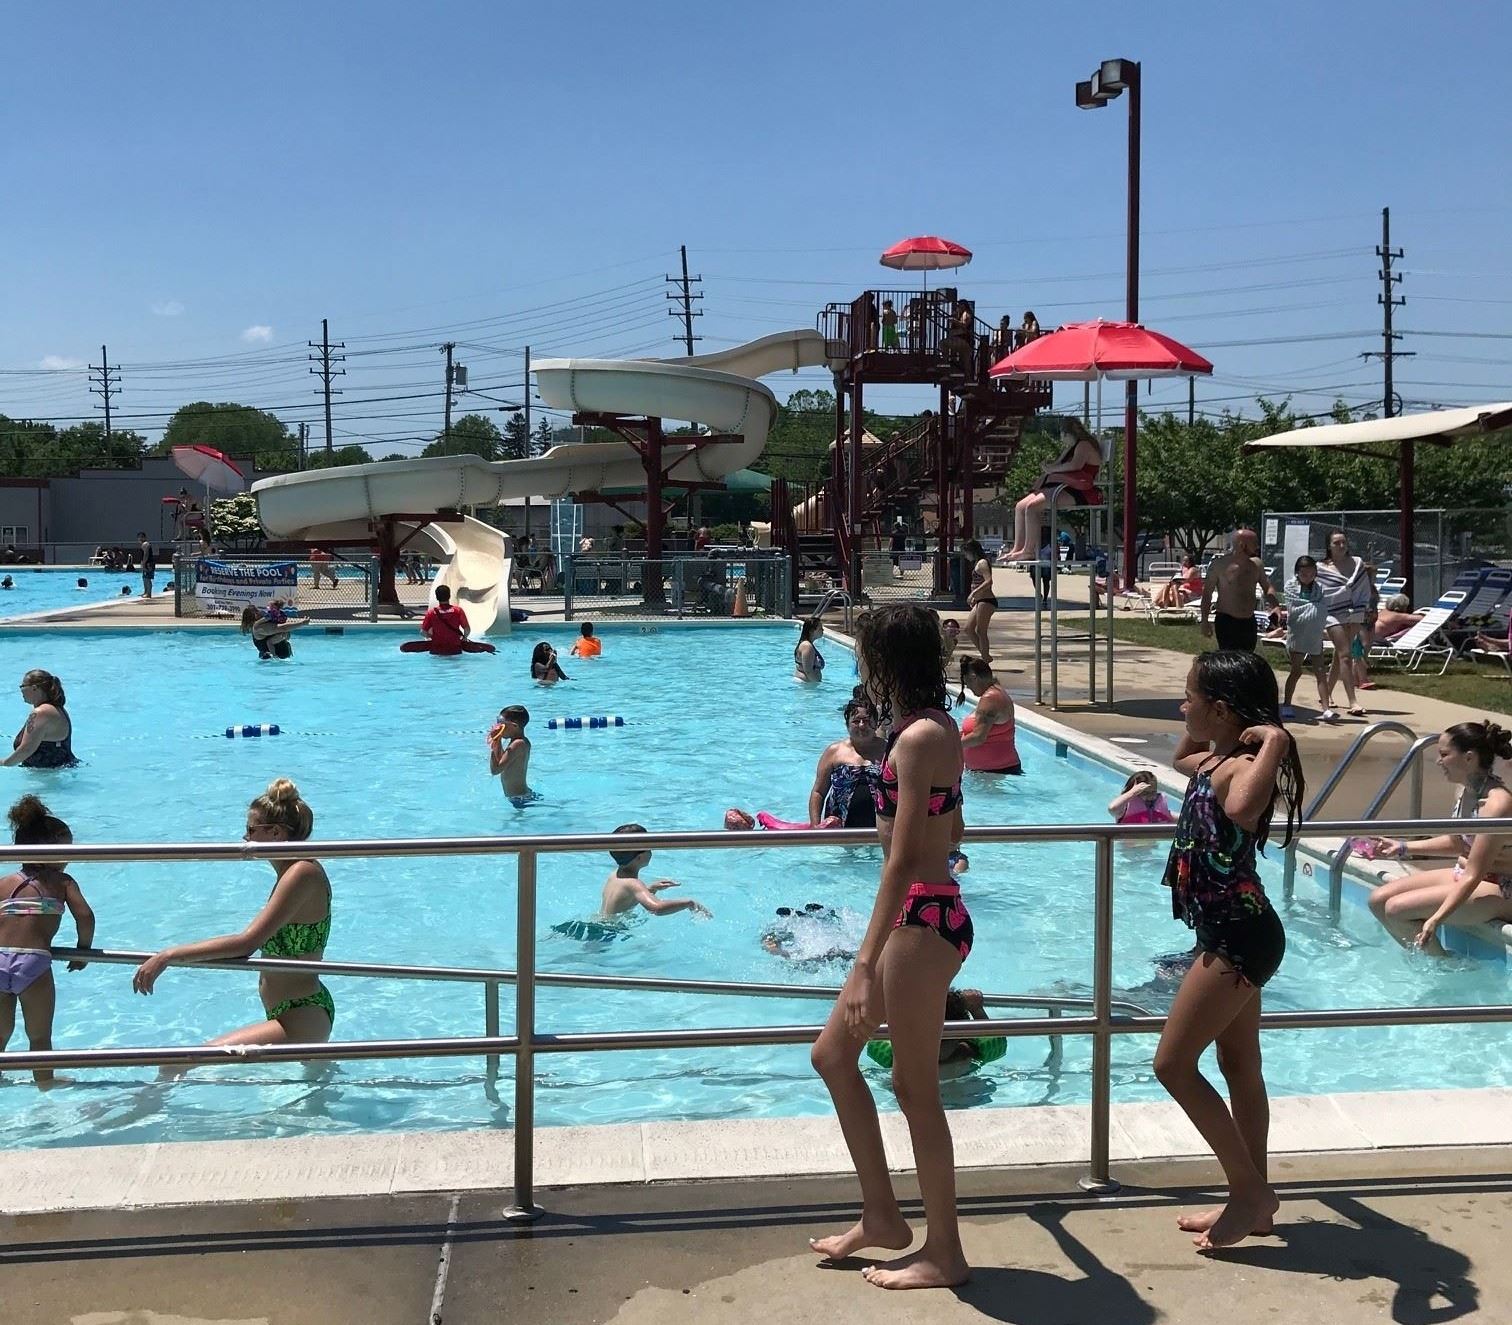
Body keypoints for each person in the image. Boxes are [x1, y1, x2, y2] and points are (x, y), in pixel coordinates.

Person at [808, 604, 971, 1290]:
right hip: (923, 912)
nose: (860, 669)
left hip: (920, 917)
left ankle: (946, 1251)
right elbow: (951, 828)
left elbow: (903, 861)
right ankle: (881, 1214)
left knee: (914, 1087)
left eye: (866, 656)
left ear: (887, 661)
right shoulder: (924, 729)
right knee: (833, 1055)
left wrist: (862, 965)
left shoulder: (917, 739)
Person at [1156, 650, 1303, 1250]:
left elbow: (1242, 808)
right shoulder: (1218, 759)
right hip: (1236, 930)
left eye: (1189, 696)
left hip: (1237, 939)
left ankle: (1250, 1192)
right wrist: (1238, 738)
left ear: (1217, 708)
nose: (1180, 705)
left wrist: (1276, 741)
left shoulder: (1241, 768)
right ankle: (1256, 1202)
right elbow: (1182, 756)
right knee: (1239, 1067)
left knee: (1172, 1065)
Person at [132, 779, 335, 1055]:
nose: (245, 839)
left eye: (250, 830)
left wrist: (168, 956)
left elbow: (246, 943)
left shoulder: (301, 872)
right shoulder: (292, 871)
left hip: (301, 1013)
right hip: (293, 1010)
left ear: (275, 833)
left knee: (181, 1060)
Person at [1366, 721, 1512, 956]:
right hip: (1467, 876)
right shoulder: (1466, 790)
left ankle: (1444, 970)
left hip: (1502, 888)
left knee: (1396, 909)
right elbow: (1458, 842)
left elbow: (1474, 873)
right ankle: (1435, 961)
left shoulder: (1497, 805)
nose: (1438, 761)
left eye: (1444, 754)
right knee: (1378, 900)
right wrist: (1402, 847)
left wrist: (1435, 918)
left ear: (1469, 758)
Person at [0, 795, 94, 1087]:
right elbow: (86, 917)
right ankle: (44, 1081)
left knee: (0, 1034)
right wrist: (83, 951)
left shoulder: (5, 882)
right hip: (34, 961)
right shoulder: (63, 883)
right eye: (66, 851)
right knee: (39, 1035)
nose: (70, 857)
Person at [999, 419, 1103, 561]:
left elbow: (1075, 465)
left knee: (1032, 507)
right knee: (1020, 506)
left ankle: (1028, 550)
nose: (1061, 438)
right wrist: (1048, 468)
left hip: (1080, 491)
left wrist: (1053, 469)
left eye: (1062, 434)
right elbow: (1059, 464)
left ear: (1067, 433)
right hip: (1065, 487)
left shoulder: (1084, 445)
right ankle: (1017, 548)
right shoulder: (1070, 448)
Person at [864, 988, 1005, 1083]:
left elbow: (993, 1041)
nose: (933, 1045)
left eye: (941, 1040)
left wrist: (977, 1010)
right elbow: (993, 1041)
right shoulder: (969, 1052)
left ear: (960, 1035)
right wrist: (976, 1010)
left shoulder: (967, 1051)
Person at [1314, 530, 1376, 718]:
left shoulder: (1357, 564)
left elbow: (1364, 589)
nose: (1341, 546)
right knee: (1346, 655)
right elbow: (1320, 593)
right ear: (1329, 546)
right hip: (1332, 614)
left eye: (1344, 542)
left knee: (1340, 656)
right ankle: (1353, 701)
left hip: (1355, 612)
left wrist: (1362, 608)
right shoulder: (1321, 568)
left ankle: (1327, 692)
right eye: (1337, 543)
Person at [598, 824, 711, 920]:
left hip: (598, 924)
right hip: (610, 933)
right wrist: (688, 903)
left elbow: (624, 900)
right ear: (640, 857)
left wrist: (651, 889)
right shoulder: (634, 884)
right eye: (650, 848)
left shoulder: (615, 875)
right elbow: (657, 908)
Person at [809, 697, 886, 828]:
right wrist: (814, 827)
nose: (862, 725)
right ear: (847, 724)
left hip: (882, 827)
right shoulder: (834, 752)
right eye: (856, 721)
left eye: (867, 721)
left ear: (876, 723)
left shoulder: (889, 751)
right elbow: (818, 792)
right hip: (839, 828)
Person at [1199, 529, 1277, 653]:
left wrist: (1275, 605)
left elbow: (1267, 587)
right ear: (1242, 545)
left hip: (1248, 621)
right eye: (1254, 543)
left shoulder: (1257, 564)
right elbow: (1207, 594)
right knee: (1229, 661)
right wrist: (1204, 620)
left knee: (1248, 659)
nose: (1257, 546)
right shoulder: (1219, 565)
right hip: (1227, 621)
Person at [1281, 555, 1330, 721]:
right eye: (1304, 575)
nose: (1308, 578)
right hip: (1298, 633)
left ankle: (1326, 708)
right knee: (1296, 670)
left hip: (1315, 633)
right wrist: (1313, 608)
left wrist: (1313, 609)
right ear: (1297, 573)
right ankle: (1287, 704)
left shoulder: (1320, 588)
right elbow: (1295, 608)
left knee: (1320, 671)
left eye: (1311, 574)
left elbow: (1323, 608)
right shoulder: (1290, 586)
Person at [957, 657, 1021, 775]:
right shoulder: (996, 690)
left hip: (995, 772)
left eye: (967, 682)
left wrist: (949, 745)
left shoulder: (990, 699)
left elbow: (978, 737)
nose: (968, 687)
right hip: (993, 772)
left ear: (974, 677)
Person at [4, 670, 78, 769]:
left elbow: (26, 750)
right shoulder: (57, 709)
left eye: (22, 686)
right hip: (58, 772)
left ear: (34, 688)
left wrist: (4, 763)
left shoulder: (41, 712)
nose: (21, 690)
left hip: (50, 777)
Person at [402, 585, 497, 655]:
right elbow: (467, 629)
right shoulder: (457, 611)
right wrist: (464, 637)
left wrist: (432, 636)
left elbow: (423, 632)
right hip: (455, 649)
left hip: (437, 649)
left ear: (437, 597)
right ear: (449, 596)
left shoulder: (431, 613)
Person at [488, 705, 537, 807]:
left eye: (501, 724)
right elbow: (500, 760)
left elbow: (495, 770)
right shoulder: (519, 742)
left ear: (514, 726)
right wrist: (498, 740)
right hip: (521, 796)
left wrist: (495, 741)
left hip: (520, 799)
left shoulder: (518, 744)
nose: (498, 726)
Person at [961, 540, 996, 664]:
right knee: (968, 629)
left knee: (981, 631)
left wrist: (973, 593)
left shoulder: (982, 563)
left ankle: (985, 658)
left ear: (972, 551)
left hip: (987, 600)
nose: (966, 556)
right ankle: (984, 654)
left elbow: (989, 581)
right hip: (979, 600)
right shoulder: (976, 563)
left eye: (966, 553)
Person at [240, 600, 311, 660]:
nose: (259, 611)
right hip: (272, 660)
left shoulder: (264, 623)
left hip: (279, 659)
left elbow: (285, 633)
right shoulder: (258, 627)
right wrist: (302, 623)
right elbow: (282, 628)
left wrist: (285, 635)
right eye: (256, 611)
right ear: (255, 614)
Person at [1109, 770, 1175, 824]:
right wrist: (1132, 792)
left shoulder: (1158, 805)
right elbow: (1112, 808)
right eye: (1145, 793)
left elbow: (1171, 817)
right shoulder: (1124, 808)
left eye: (1153, 792)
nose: (1150, 796)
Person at [793, 616, 825, 683]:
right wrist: (818, 686)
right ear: (811, 631)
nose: (823, 630)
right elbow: (808, 671)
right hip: (806, 686)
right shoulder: (807, 646)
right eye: (820, 628)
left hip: (807, 684)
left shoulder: (807, 644)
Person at [137, 532, 156, 600]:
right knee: (144, 578)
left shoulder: (145, 544)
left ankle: (149, 593)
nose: (140, 538)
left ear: (145, 537)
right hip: (147, 563)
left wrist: (144, 564)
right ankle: (145, 592)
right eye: (139, 537)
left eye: (142, 537)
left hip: (148, 563)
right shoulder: (144, 544)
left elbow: (146, 555)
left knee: (147, 579)